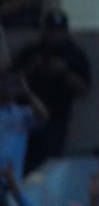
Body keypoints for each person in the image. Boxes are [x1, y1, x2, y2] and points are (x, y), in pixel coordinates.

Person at [13, 9, 89, 173]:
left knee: (48, 166)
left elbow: (84, 88)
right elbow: (13, 82)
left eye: (58, 30)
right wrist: (32, 68)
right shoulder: (31, 52)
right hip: (26, 119)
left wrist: (64, 73)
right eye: (51, 30)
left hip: (55, 121)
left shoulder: (75, 54)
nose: (54, 34)